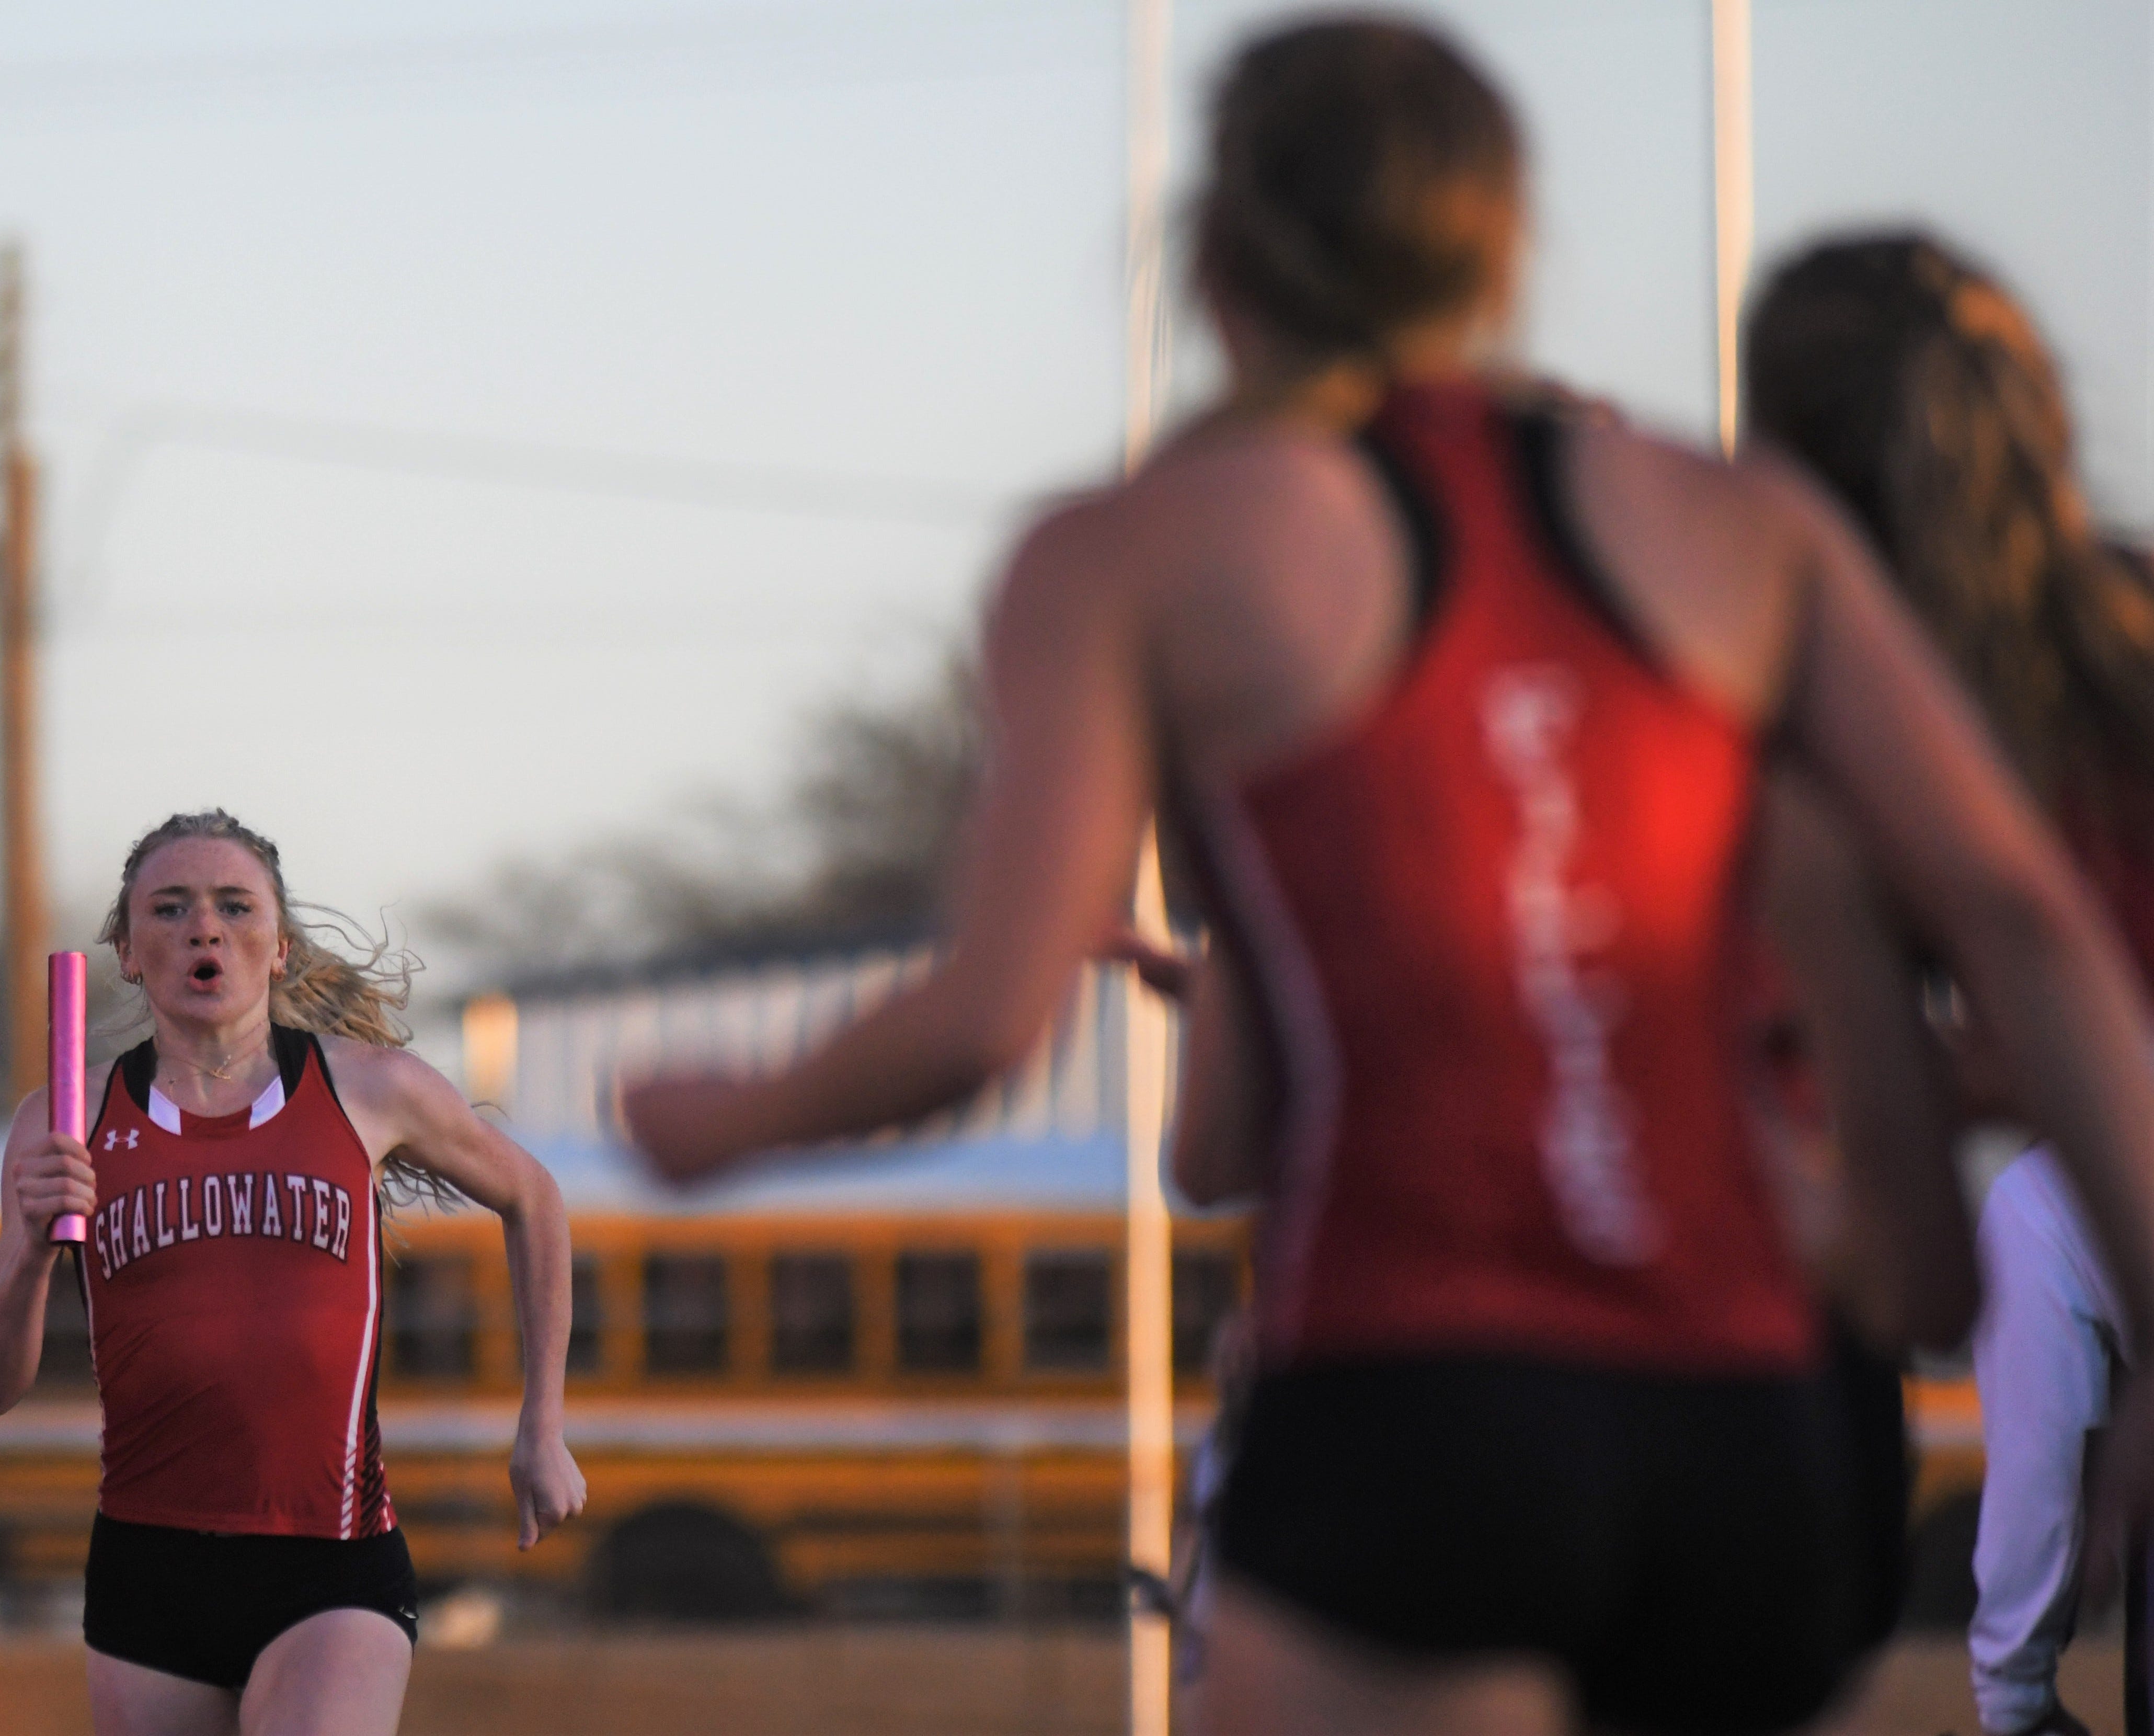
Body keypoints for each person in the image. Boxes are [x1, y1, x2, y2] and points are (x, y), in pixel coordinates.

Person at [626, 17, 2154, 1733]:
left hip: (1412, 1394)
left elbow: (994, 1011)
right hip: (1752, 1422)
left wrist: (729, 1124)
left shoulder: (1139, 550)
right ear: (1503, 246)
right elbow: (2017, 915)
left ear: (1208, 254)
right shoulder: (1730, 524)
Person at [1746, 232, 2154, 1736]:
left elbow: (1914, 1269)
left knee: (2031, 1230)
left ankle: (2016, 1688)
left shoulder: (1868, 743)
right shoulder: (2118, 629)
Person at [0, 809, 586, 1736]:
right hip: (148, 1569)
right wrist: (24, 1249)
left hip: (329, 1563)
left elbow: (533, 1197)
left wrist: (542, 1422)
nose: (203, 928)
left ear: (280, 947)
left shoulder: (370, 1088)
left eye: (233, 905)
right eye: (169, 910)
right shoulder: (66, 1118)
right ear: (128, 952)